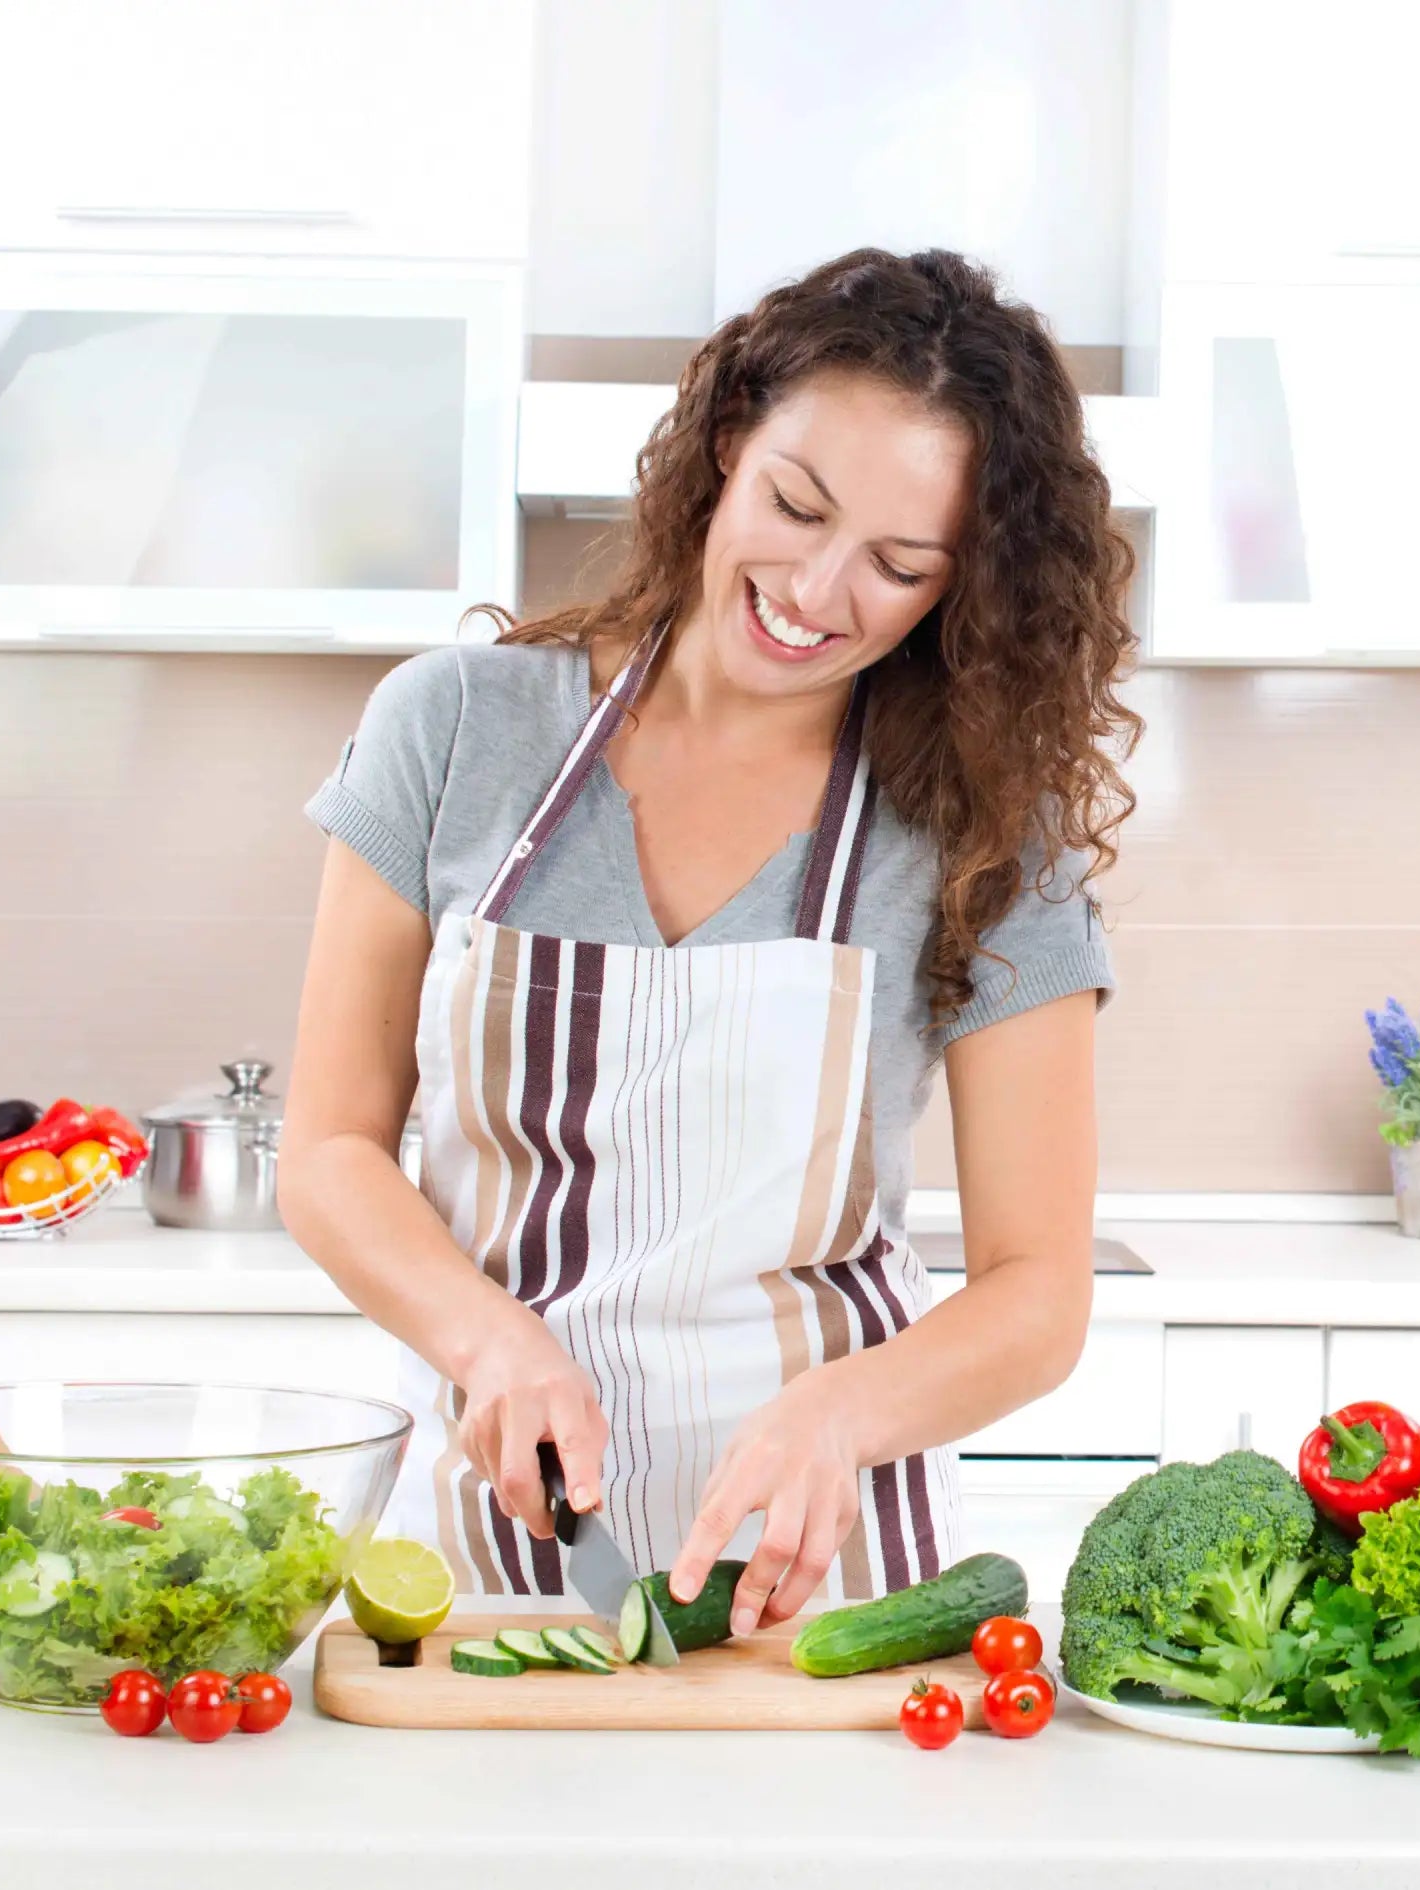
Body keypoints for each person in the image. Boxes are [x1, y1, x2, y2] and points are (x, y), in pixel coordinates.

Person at [281, 247, 1139, 1638]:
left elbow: (1040, 1290)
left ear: (959, 588)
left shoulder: (980, 830)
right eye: (797, 506)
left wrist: (839, 1416)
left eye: (901, 564)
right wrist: (488, 1336)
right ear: (730, 438)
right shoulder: (452, 729)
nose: (817, 589)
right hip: (494, 1567)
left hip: (831, 1601)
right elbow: (327, 1152)